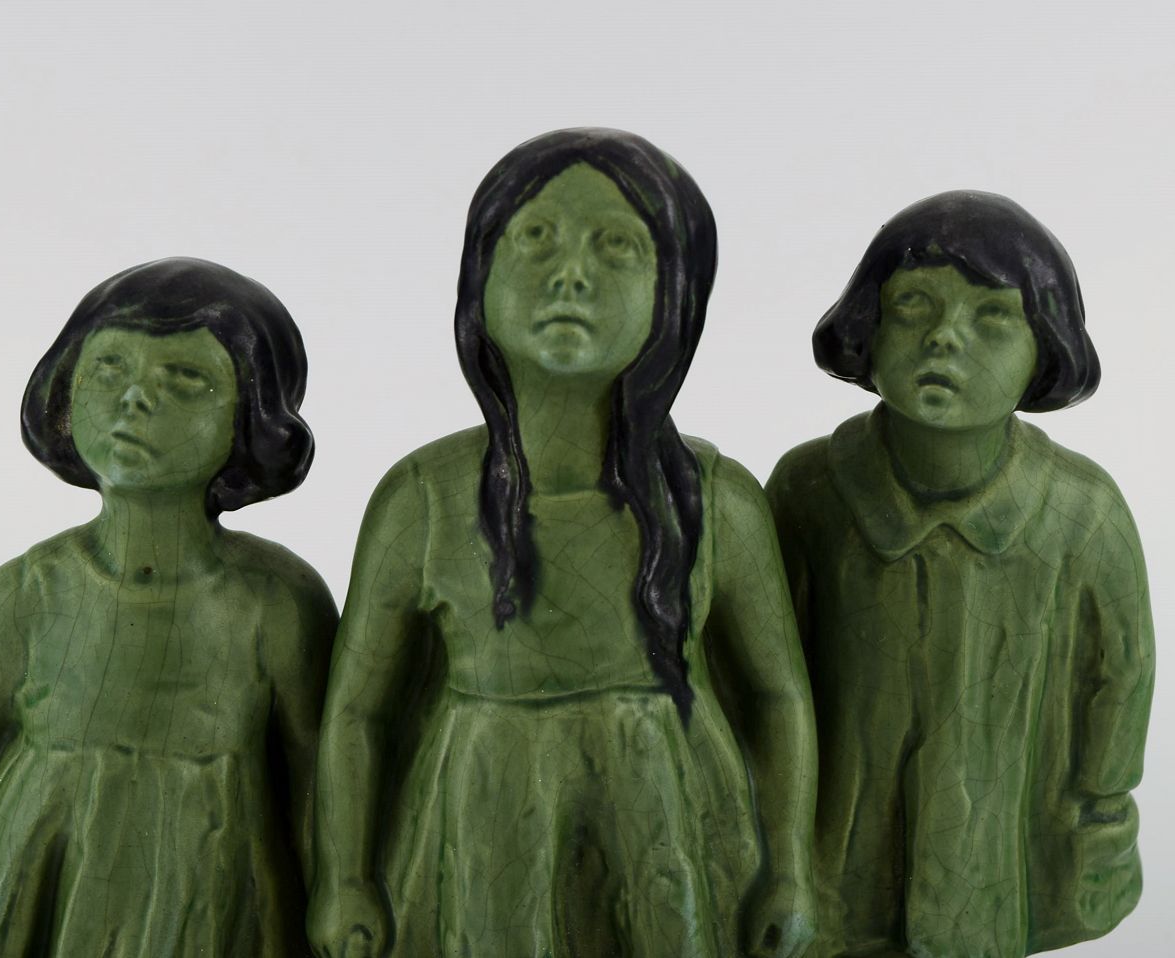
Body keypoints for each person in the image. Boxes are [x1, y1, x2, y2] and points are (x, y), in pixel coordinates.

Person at [308, 128, 818, 958]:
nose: (570, 273)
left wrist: (790, 868)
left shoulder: (720, 502)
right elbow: (358, 711)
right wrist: (345, 878)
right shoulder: (422, 500)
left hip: (670, 823)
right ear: (479, 277)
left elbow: (779, 696)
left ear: (675, 295)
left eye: (617, 246)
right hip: (484, 821)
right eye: (536, 237)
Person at [0, 257, 336, 957]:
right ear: (64, 389)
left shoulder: (278, 602)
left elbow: (313, 769)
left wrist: (336, 885)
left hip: (208, 887)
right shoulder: (26, 593)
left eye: (186, 380)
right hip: (34, 869)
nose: (135, 399)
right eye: (110, 369)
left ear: (253, 420)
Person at [766, 192, 1154, 957]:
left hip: (1006, 845)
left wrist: (1102, 811)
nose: (944, 337)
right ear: (866, 325)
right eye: (913, 304)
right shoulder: (809, 491)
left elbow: (1122, 672)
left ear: (1046, 348)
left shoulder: (1082, 513)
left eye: (993, 316)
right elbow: (764, 670)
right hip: (836, 841)